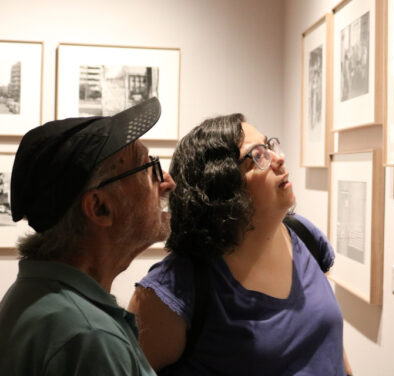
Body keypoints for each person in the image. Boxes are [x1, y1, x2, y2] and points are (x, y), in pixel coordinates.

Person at [128, 114, 352, 375]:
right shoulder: (174, 289)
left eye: (270, 146)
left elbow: (328, 341)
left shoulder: (304, 236)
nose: (278, 159)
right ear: (221, 185)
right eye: (258, 155)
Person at [0, 97, 175, 375]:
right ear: (100, 207)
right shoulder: (90, 337)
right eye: (147, 167)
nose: (168, 182)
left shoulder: (36, 295)